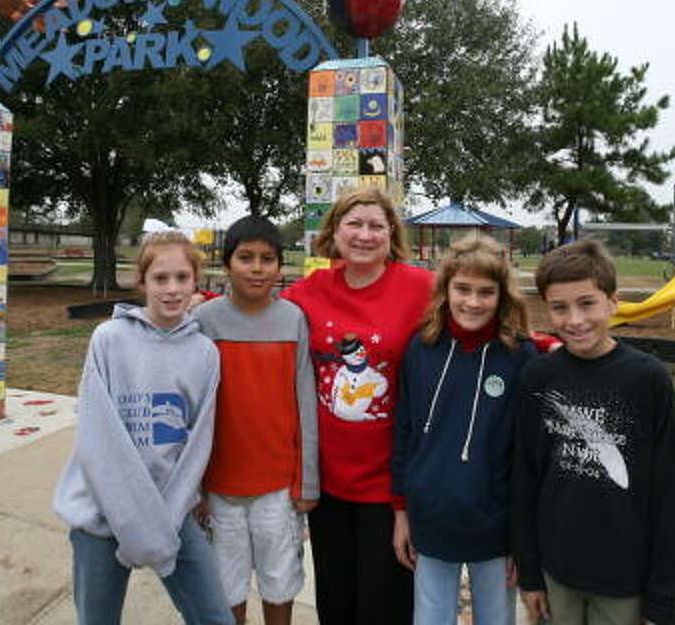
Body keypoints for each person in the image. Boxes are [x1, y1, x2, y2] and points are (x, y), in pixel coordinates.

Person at [53, 230, 233, 625]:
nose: (172, 290)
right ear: (142, 282)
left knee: (215, 617)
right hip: (101, 514)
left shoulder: (204, 354)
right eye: (160, 279)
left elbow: (196, 446)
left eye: (182, 278)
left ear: (196, 281)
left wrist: (162, 523)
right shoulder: (109, 340)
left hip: (170, 513)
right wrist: (134, 523)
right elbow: (98, 441)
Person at [281, 185, 433, 625]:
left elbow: (477, 311)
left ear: (391, 235)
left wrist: (542, 344)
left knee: (384, 603)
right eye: (355, 223)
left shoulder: (420, 287)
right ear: (335, 231)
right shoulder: (313, 289)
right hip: (327, 480)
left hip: (390, 483)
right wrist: (200, 306)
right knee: (335, 596)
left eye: (376, 226)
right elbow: (259, 316)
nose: (365, 235)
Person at [514, 239, 675, 625]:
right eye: (559, 307)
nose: (574, 320)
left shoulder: (648, 380)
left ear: (613, 301)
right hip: (556, 571)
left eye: (587, 303)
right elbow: (524, 479)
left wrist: (664, 598)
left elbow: (669, 493)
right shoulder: (538, 377)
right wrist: (529, 572)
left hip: (624, 577)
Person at [391, 233, 537, 624]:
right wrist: (401, 512)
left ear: (502, 295)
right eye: (463, 289)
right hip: (431, 518)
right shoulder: (421, 348)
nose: (473, 302)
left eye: (486, 292)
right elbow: (404, 433)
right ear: (445, 289)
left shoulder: (521, 357)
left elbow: (529, 455)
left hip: (496, 526)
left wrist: (524, 538)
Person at [193, 215, 319, 625]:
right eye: (245, 257)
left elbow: (305, 405)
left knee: (279, 581)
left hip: (278, 487)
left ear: (280, 266)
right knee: (225, 585)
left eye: (268, 258)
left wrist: (307, 479)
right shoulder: (204, 322)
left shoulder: (293, 320)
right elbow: (192, 408)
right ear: (227, 263)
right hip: (219, 486)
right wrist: (193, 486)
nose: (257, 267)